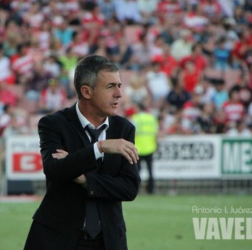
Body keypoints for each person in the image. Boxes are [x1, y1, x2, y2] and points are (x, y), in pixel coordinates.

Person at [24, 55, 141, 250]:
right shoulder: (53, 124)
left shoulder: (124, 129)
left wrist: (86, 179)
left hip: (108, 240)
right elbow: (55, 170)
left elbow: (129, 188)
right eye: (111, 86)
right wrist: (100, 148)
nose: (119, 93)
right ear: (86, 91)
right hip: (59, 239)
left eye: (119, 85)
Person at [131, 104, 159, 194]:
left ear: (139, 109)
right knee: (150, 170)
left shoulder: (135, 118)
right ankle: (151, 189)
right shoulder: (151, 118)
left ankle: (136, 189)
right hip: (150, 147)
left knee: (137, 171)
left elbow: (132, 132)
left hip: (138, 148)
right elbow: (156, 132)